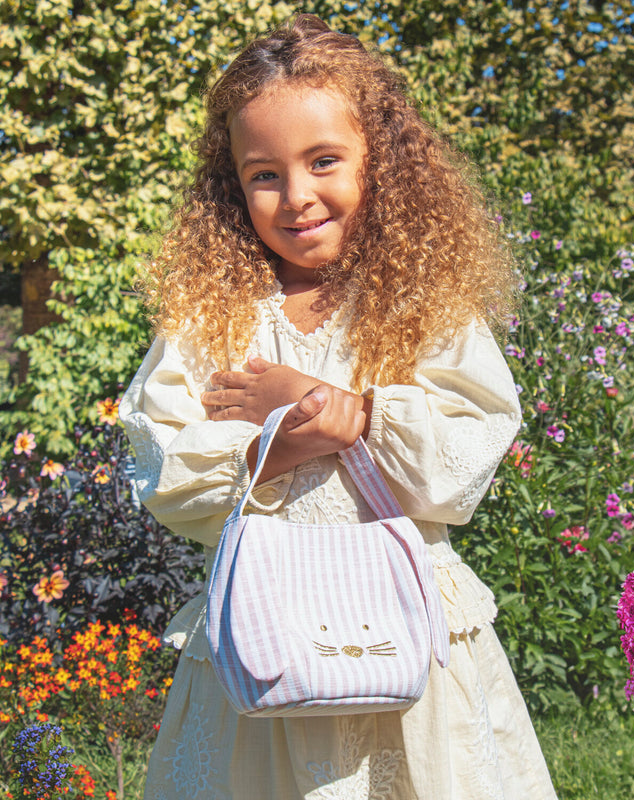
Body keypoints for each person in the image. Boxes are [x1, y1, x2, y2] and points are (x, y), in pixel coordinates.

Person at [120, 13, 557, 800]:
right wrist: (270, 450)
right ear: (232, 183)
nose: (296, 197)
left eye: (325, 161)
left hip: (408, 651)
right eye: (264, 174)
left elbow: (462, 461)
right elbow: (160, 463)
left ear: (379, 163)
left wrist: (343, 411)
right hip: (260, 654)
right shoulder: (211, 319)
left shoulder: (425, 307)